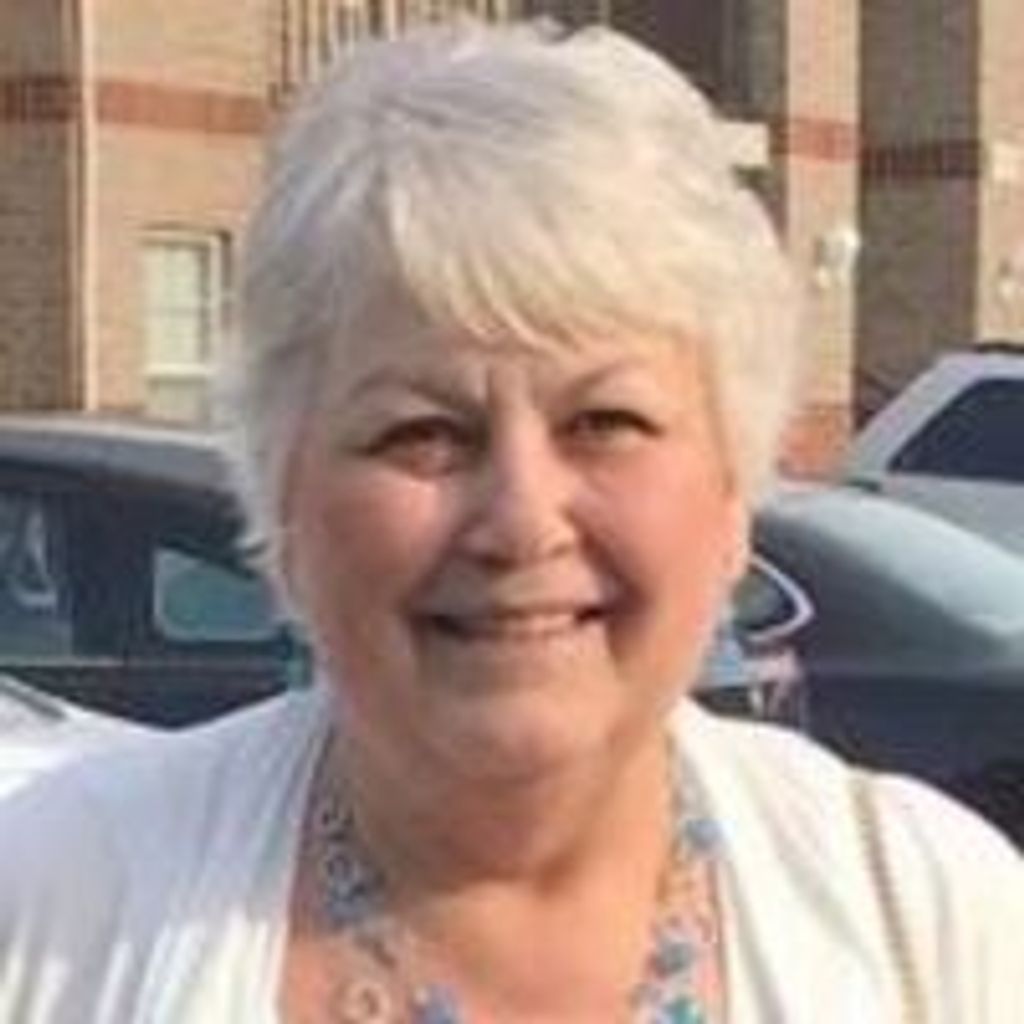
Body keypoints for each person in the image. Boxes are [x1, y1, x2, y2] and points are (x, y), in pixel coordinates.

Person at [1, 19, 1021, 1024]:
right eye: (422, 432)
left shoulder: (929, 918)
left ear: (730, 497)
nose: (522, 520)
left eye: (605, 422)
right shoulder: (53, 911)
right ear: (286, 495)